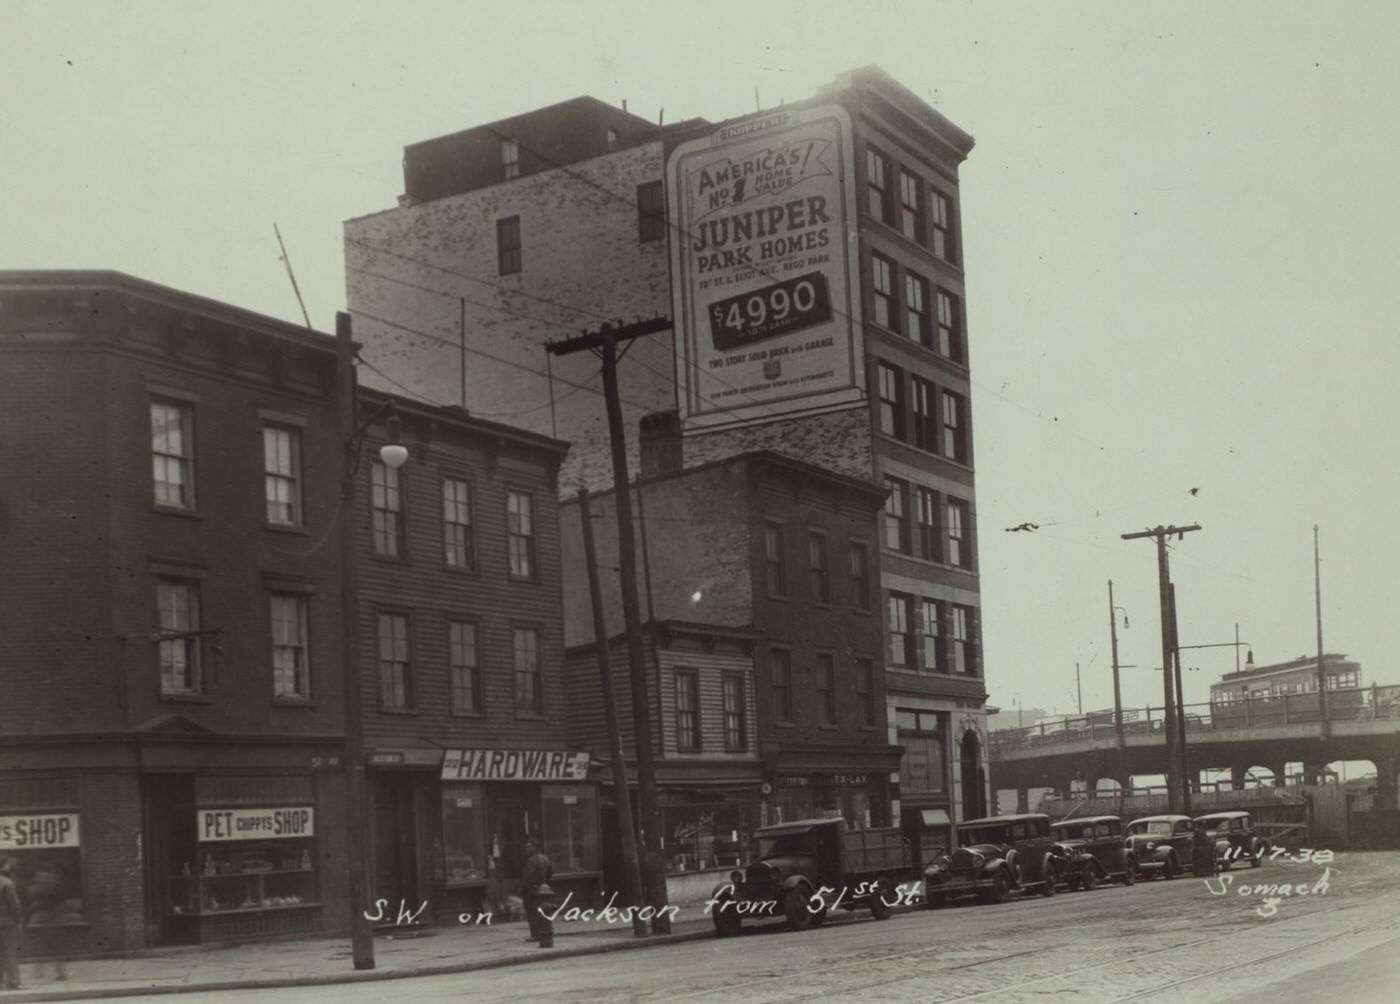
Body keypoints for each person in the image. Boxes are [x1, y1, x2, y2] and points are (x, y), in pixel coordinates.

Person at [519, 838, 552, 943]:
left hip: (532, 890)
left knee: (532, 912)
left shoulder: (532, 860)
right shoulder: (545, 858)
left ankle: (535, 934)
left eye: (528, 847)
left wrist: (523, 888)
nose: (526, 849)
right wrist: (545, 883)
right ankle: (542, 933)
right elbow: (550, 873)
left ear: (534, 847)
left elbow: (527, 877)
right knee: (541, 911)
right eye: (525, 847)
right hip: (543, 889)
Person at [0, 857, 25, 991]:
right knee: (10, 952)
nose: (10, 867)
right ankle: (13, 982)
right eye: (8, 865)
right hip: (6, 920)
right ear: (3, 866)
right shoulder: (7, 883)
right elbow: (14, 905)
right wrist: (18, 920)